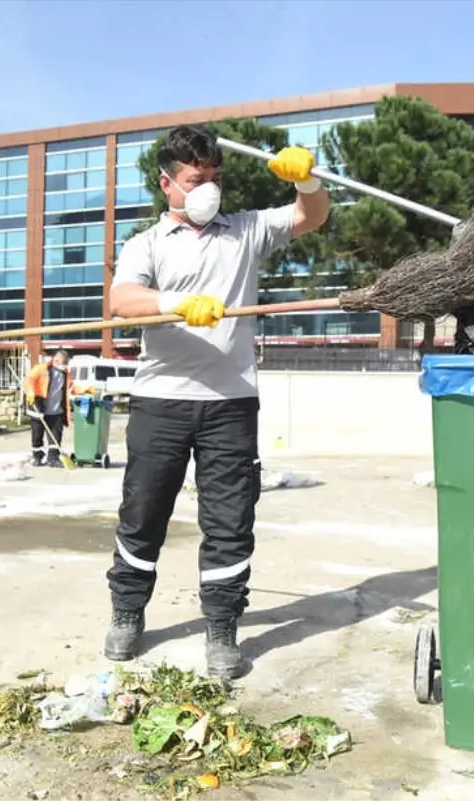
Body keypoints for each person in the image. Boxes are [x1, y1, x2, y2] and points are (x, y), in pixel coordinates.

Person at [103, 124, 330, 678]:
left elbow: (311, 216)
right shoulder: (147, 244)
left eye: (216, 179)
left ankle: (222, 629)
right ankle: (128, 612)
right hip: (161, 400)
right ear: (167, 184)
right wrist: (177, 303)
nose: (209, 190)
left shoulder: (247, 231)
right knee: (143, 512)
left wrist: (309, 180)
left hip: (230, 401)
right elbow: (121, 298)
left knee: (230, 520)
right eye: (195, 180)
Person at [23, 348, 71, 467]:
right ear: (56, 360)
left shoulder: (66, 374)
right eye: (64, 362)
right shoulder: (42, 369)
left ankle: (53, 458)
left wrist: (85, 391)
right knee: (37, 435)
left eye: (66, 362)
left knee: (56, 436)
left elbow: (70, 388)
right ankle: (37, 457)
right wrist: (30, 392)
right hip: (39, 408)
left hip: (57, 410)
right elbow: (29, 380)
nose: (65, 365)